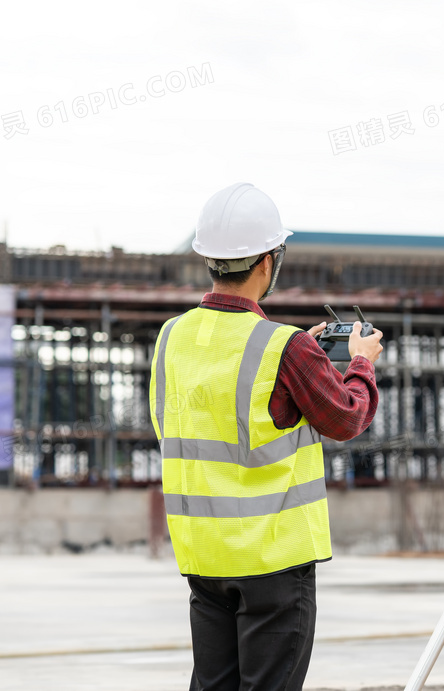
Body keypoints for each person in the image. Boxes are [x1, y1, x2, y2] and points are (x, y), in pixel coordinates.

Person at [149, 183, 383, 691]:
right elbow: (345, 418)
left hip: (204, 557)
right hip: (272, 562)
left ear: (208, 259)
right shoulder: (285, 348)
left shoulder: (172, 338)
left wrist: (303, 352)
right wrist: (360, 362)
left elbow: (183, 426)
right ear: (267, 261)